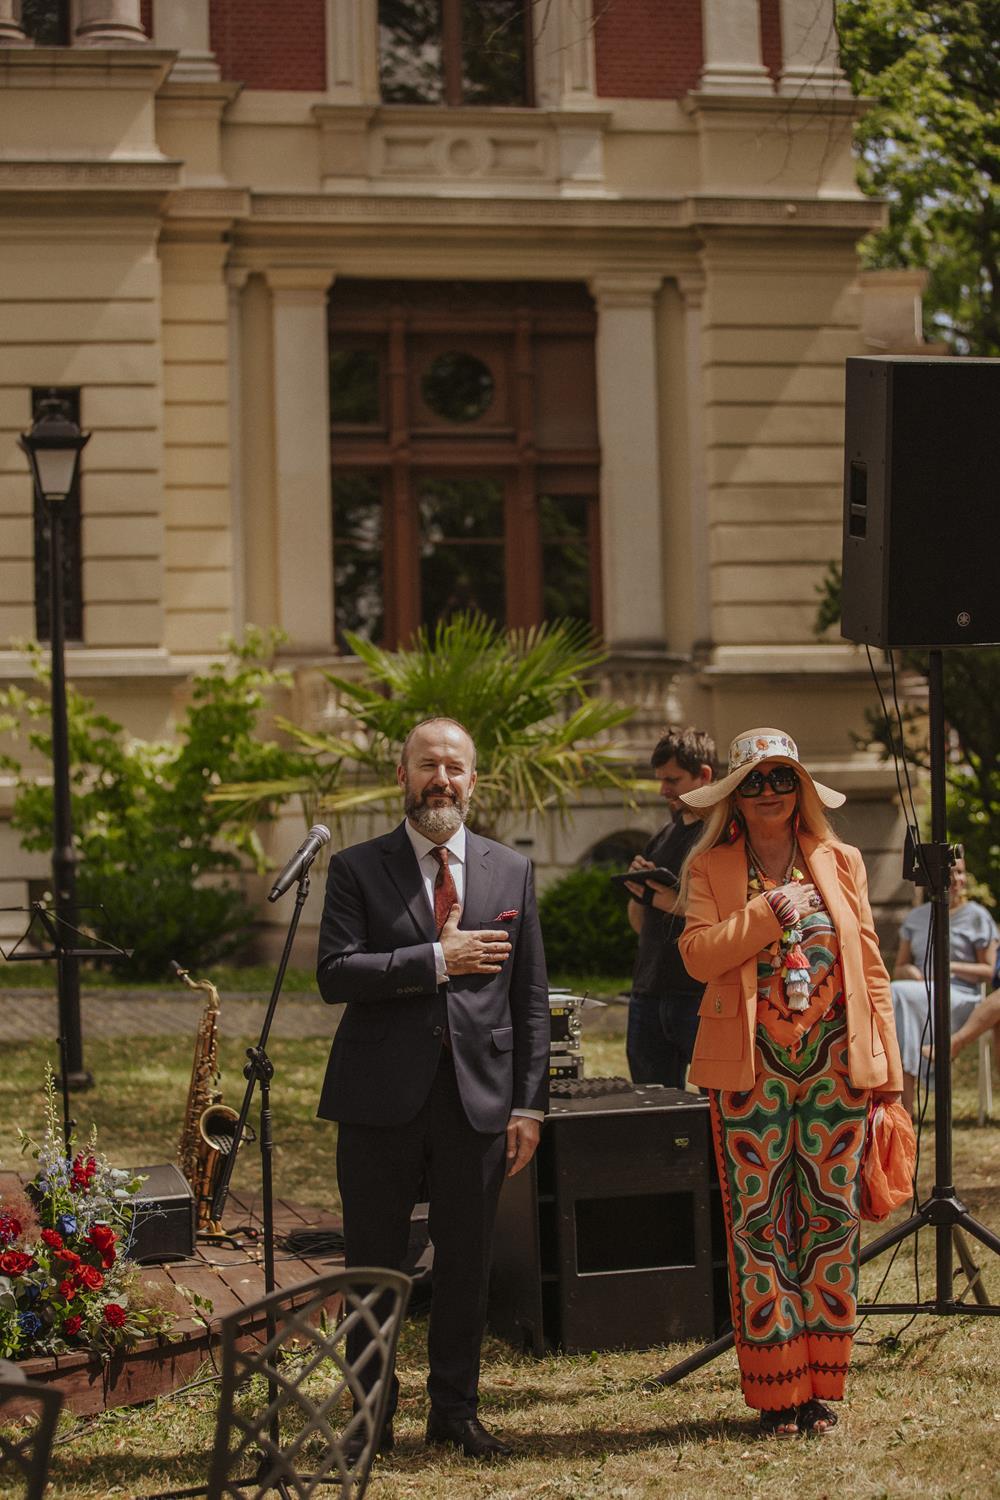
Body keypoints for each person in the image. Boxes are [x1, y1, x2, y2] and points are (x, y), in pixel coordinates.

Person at [316, 717, 549, 1460]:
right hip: (378, 1099)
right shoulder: (357, 868)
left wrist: (528, 1103)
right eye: (426, 766)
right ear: (402, 776)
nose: (440, 780)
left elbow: (530, 999)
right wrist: (436, 959)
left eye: (453, 767)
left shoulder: (511, 870)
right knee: (373, 1266)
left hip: (478, 1101)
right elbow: (335, 974)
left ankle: (455, 1411)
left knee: (466, 1266)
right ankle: (368, 1418)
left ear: (473, 780)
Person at [677, 727, 903, 1438]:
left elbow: (870, 967)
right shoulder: (709, 866)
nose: (770, 792)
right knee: (759, 1224)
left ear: (801, 790)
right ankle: (779, 1391)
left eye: (782, 779)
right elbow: (696, 956)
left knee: (830, 1219)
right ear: (734, 796)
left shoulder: (841, 860)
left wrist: (890, 1075)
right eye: (755, 781)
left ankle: (821, 1387)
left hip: (838, 1065)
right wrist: (764, 915)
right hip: (750, 1071)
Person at [623, 725, 714, 1087]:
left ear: (704, 774)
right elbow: (640, 923)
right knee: (652, 1109)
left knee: (716, 1105)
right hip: (648, 993)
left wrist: (658, 897)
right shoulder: (663, 835)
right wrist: (639, 889)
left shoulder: (720, 836)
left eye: (672, 780)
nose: (663, 790)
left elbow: (722, 913)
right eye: (660, 779)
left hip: (699, 995)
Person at [891, 856, 997, 1114]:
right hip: (920, 993)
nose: (956, 879)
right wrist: (909, 971)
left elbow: (990, 971)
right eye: (950, 873)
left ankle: (904, 1111)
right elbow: (899, 967)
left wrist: (948, 967)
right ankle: (905, 1111)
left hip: (961, 997)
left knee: (898, 997)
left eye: (960, 873)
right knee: (898, 995)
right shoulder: (916, 917)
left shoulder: (977, 916)